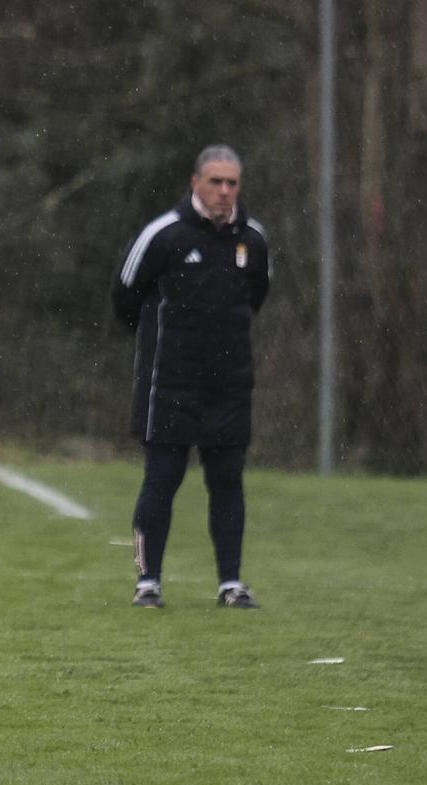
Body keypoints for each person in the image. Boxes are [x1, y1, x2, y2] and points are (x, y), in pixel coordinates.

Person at [111, 144, 270, 610]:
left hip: (229, 385)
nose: (224, 191)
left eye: (232, 183)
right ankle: (147, 582)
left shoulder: (253, 240)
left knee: (227, 479)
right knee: (162, 478)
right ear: (194, 182)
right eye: (215, 181)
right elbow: (125, 298)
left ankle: (231, 584)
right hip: (170, 384)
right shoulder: (163, 236)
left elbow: (256, 296)